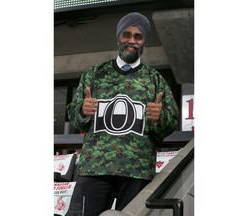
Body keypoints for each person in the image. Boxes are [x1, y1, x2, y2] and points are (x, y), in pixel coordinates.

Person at [66, 12, 179, 215]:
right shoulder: (94, 74)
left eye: (138, 36)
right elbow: (75, 116)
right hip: (95, 167)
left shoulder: (155, 80)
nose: (132, 41)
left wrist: (159, 118)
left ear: (144, 41)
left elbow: (171, 122)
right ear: (119, 37)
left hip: (137, 169)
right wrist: (82, 110)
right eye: (127, 34)